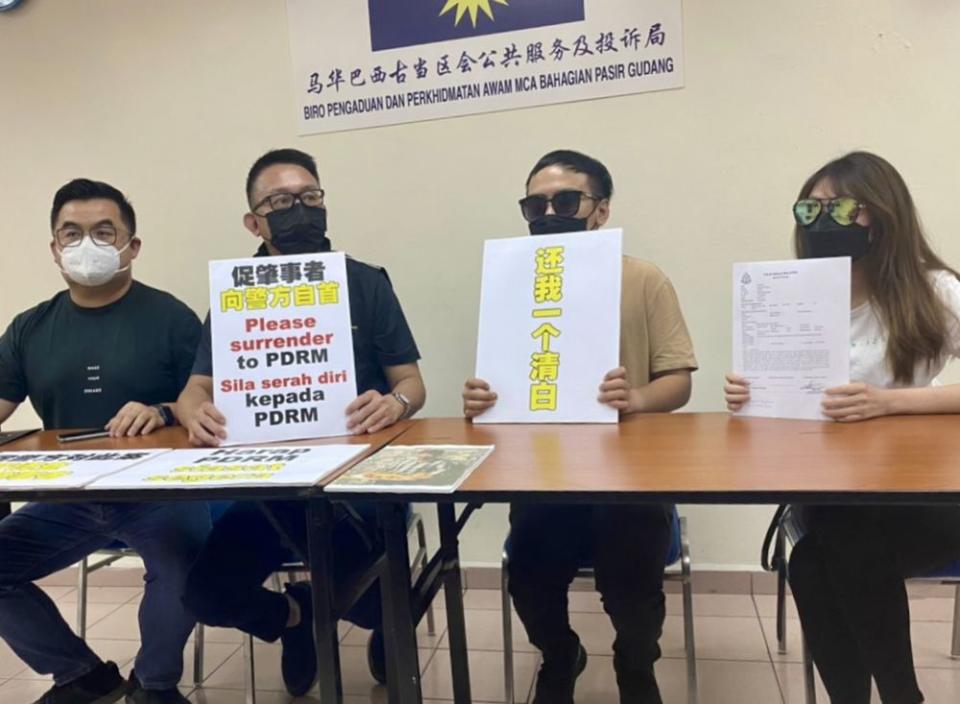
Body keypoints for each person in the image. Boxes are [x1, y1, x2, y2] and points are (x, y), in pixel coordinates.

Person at [178, 148, 426, 696]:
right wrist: (194, 410)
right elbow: (194, 389)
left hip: (356, 478)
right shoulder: (236, 295)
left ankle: (382, 618)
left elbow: (411, 384)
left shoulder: (364, 283)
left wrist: (395, 404)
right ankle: (296, 620)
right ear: (254, 221)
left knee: (374, 601)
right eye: (281, 201)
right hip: (268, 483)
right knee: (206, 596)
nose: (301, 210)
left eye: (311, 198)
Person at [462, 149, 698, 704]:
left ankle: (636, 662)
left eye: (565, 200)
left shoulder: (642, 279)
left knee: (633, 589)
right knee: (530, 575)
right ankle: (561, 652)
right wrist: (482, 398)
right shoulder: (512, 281)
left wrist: (637, 397)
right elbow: (503, 380)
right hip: (543, 471)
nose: (549, 212)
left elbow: (680, 380)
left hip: (629, 472)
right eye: (535, 203)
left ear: (601, 210)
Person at [724, 151, 960, 704]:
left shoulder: (934, 290)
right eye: (811, 209)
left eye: (841, 207)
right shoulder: (789, 292)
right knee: (821, 549)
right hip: (833, 491)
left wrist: (890, 403)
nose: (823, 220)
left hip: (921, 496)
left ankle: (898, 697)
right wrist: (748, 394)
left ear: (881, 212)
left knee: (832, 544)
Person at [0, 178, 208, 704]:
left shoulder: (172, 319)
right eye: (71, 234)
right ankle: (81, 675)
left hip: (162, 494)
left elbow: (213, 407)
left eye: (103, 232)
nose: (85, 245)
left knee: (185, 565)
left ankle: (155, 685)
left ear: (131, 246)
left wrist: (161, 410)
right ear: (54, 249)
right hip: (67, 500)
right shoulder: (30, 328)